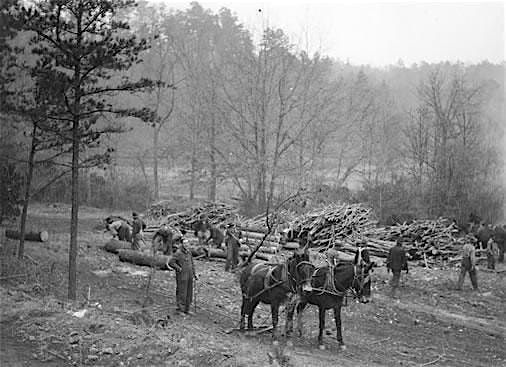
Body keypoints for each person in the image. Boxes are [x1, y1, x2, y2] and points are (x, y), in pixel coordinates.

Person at [167, 239, 197, 314]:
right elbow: (171, 262)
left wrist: (194, 273)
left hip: (189, 275)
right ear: (182, 244)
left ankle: (187, 309)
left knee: (189, 292)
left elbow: (192, 263)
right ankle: (180, 309)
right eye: (185, 244)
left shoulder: (189, 252)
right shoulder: (178, 253)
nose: (186, 245)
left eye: (187, 244)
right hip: (182, 276)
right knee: (182, 292)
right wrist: (178, 268)